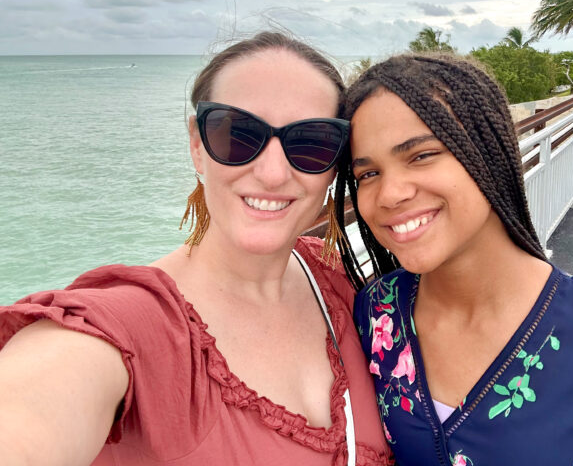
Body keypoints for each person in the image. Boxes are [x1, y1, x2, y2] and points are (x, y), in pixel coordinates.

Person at [0, 32, 392, 465]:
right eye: (239, 135)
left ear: (335, 164)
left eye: (310, 142)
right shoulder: (128, 327)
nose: (274, 173)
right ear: (197, 146)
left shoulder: (339, 282)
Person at [334, 54, 573, 466]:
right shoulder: (378, 311)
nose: (390, 194)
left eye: (421, 155)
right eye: (368, 174)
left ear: (489, 153)